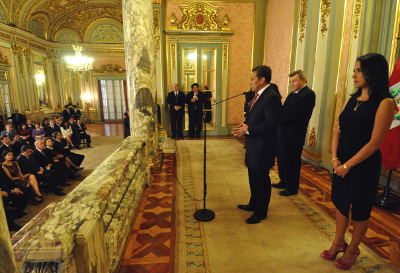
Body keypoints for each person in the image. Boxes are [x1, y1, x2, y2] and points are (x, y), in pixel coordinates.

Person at [320, 53, 395, 270]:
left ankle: (353, 249)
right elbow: (338, 129)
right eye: (354, 70)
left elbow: (374, 143)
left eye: (359, 70)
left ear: (374, 72)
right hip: (340, 162)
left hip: (363, 166)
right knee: (341, 205)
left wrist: (347, 165)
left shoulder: (385, 102)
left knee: (360, 209)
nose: (354, 75)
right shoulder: (353, 99)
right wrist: (335, 159)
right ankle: (338, 242)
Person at [232, 65, 282, 224]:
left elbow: (272, 124)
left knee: (261, 179)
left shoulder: (271, 96)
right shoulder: (259, 95)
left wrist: (249, 129)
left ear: (262, 80)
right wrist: (245, 125)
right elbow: (257, 118)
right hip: (254, 144)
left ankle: (261, 212)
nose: (250, 82)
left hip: (263, 146)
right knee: (253, 176)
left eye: (252, 79)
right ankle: (253, 203)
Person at [272, 70, 316, 196]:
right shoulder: (292, 94)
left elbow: (294, 114)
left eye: (295, 80)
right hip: (283, 131)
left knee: (292, 160)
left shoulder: (308, 94)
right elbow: (283, 110)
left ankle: (292, 187)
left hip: (295, 133)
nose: (292, 84)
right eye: (291, 81)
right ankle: (283, 181)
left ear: (303, 80)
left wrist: (278, 119)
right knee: (282, 158)